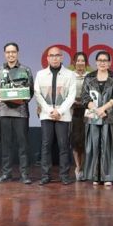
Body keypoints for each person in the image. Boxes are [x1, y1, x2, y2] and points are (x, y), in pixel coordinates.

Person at [0, 42, 34, 184]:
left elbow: (30, 91)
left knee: (23, 145)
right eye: (8, 52)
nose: (11, 54)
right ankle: (6, 173)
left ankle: (24, 174)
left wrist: (20, 98)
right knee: (6, 145)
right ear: (5, 54)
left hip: (21, 112)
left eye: (13, 52)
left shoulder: (25, 70)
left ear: (17, 53)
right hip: (4, 112)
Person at [35, 46, 77, 185]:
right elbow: (37, 94)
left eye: (57, 55)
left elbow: (71, 96)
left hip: (63, 115)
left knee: (63, 145)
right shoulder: (40, 74)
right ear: (47, 58)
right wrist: (49, 110)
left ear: (61, 57)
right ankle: (45, 175)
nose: (54, 58)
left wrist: (59, 111)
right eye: (52, 55)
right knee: (46, 145)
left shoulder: (70, 74)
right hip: (46, 115)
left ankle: (64, 175)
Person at [82, 51, 113, 186]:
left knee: (109, 147)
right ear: (96, 62)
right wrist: (97, 109)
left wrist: (104, 108)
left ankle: (108, 176)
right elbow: (85, 97)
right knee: (94, 146)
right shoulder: (89, 77)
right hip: (93, 117)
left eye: (105, 60)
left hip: (110, 117)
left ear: (109, 63)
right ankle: (95, 176)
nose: (102, 63)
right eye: (100, 60)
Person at [69, 52, 90, 180]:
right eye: (78, 60)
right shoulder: (70, 76)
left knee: (85, 141)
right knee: (76, 141)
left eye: (82, 61)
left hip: (88, 112)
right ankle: (77, 168)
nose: (80, 63)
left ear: (86, 63)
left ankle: (83, 167)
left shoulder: (90, 76)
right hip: (74, 111)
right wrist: (72, 101)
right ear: (74, 62)